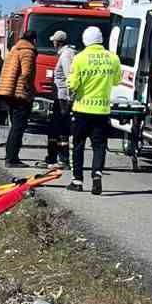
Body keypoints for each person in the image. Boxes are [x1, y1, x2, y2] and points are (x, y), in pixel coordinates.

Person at [67, 25, 122, 194]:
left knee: (78, 145)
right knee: (99, 146)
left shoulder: (79, 58)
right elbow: (117, 81)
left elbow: (73, 84)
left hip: (82, 109)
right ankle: (97, 175)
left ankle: (77, 181)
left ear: (85, 40)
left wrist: (71, 86)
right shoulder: (113, 58)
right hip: (102, 111)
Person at [0, 30, 37, 168]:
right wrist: (29, 90)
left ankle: (10, 156)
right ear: (34, 40)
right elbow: (26, 73)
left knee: (14, 127)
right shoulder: (28, 52)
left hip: (9, 92)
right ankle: (12, 159)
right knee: (18, 127)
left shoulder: (14, 49)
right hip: (20, 94)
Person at [46, 31, 73, 169]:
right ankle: (53, 158)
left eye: (54, 41)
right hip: (60, 97)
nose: (53, 43)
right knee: (56, 128)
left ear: (58, 42)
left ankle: (62, 159)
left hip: (63, 97)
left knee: (60, 128)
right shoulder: (64, 54)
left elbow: (70, 76)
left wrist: (70, 98)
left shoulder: (66, 55)